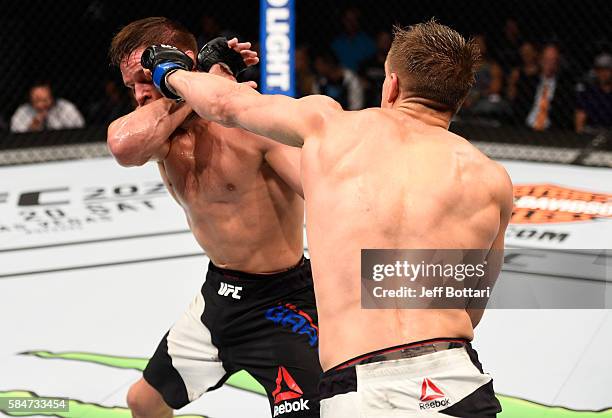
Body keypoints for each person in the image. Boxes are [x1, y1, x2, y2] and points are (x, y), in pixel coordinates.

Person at [150, 20, 513, 417]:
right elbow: (471, 306)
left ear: (391, 85)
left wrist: (172, 72)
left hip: (361, 388)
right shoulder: (491, 180)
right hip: (454, 379)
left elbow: (225, 105)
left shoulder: (331, 127)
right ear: (459, 100)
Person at [107, 17, 321, 418]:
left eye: (144, 77)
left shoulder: (252, 124)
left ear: (175, 62)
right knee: (143, 401)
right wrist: (202, 84)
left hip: (284, 301)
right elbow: (123, 146)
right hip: (221, 297)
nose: (138, 94)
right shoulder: (162, 135)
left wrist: (212, 88)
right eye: (130, 86)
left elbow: (325, 194)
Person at [515, 44, 575, 131]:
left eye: (552, 60)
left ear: (557, 63)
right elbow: (518, 107)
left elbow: (564, 115)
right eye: (546, 59)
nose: (549, 64)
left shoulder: (565, 87)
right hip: (526, 127)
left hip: (551, 131)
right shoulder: (528, 82)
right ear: (540, 60)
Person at [10, 81, 85, 133]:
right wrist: (32, 128)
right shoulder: (23, 111)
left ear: (52, 97)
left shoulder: (65, 108)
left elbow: (80, 128)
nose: (41, 105)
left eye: (45, 100)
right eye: (36, 101)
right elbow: (15, 133)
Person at [575, 53, 612, 133]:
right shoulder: (589, 91)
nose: (603, 73)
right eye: (600, 70)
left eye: (607, 69)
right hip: (591, 131)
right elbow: (580, 115)